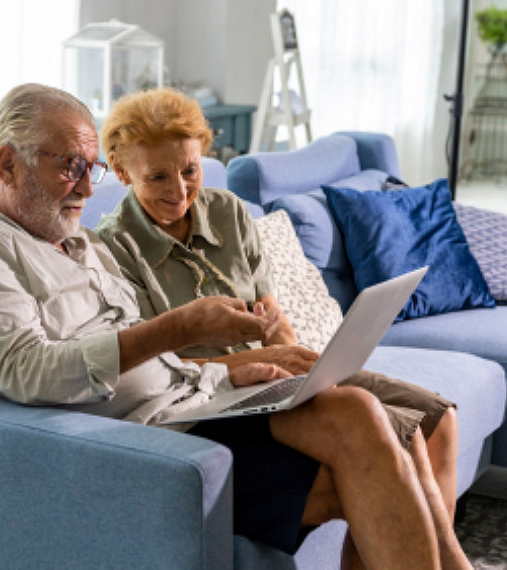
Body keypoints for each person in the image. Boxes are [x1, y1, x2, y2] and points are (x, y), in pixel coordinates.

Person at [0, 83, 469, 569]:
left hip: (199, 397)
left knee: (370, 416)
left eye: (92, 170)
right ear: (7, 164)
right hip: (146, 431)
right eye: (70, 167)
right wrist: (179, 328)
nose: (87, 190)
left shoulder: (79, 243)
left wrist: (234, 371)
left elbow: (158, 361)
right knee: (369, 445)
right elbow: (26, 369)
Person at [96, 87, 472, 569]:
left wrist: (283, 347)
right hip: (208, 400)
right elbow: (154, 373)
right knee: (400, 431)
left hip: (274, 379)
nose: (179, 190)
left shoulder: (228, 213)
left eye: (190, 170)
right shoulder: (113, 250)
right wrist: (261, 359)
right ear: (122, 169)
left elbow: (272, 319)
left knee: (438, 418)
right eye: (158, 177)